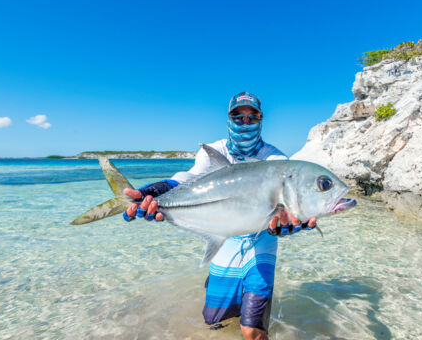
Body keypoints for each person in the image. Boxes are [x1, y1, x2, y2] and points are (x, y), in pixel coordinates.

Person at [122, 92, 317, 340]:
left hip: (261, 247)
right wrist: (155, 193)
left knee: (252, 331)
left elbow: (287, 205)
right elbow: (189, 179)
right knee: (214, 324)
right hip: (224, 245)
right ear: (229, 119)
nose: (245, 123)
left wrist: (292, 223)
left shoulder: (275, 159)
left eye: (252, 116)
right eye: (238, 116)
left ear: (261, 119)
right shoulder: (214, 151)